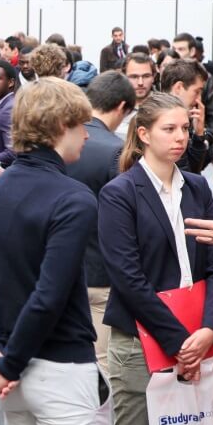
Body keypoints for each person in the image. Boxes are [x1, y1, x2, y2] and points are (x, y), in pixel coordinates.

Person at [0, 77, 109, 425]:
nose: (87, 135)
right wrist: (6, 363)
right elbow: (50, 294)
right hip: (61, 371)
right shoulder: (74, 199)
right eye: (81, 125)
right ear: (62, 126)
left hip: (11, 364)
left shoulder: (0, 190)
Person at [98, 93, 213, 425]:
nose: (180, 137)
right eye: (169, 129)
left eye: (185, 128)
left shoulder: (198, 187)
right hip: (141, 339)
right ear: (143, 134)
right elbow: (128, 278)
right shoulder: (119, 193)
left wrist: (210, 329)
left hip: (196, 331)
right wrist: (181, 342)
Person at [65, 71, 136, 374]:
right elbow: (124, 219)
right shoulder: (115, 150)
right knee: (100, 362)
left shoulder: (61, 143)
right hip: (100, 272)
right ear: (121, 107)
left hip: (60, 266)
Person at [160, 59, 213, 174]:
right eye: (196, 92)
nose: (199, 99)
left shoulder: (186, 117)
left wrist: (199, 134)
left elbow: (196, 167)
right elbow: (185, 175)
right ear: (178, 88)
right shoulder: (160, 121)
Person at [173, 32, 213, 138]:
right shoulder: (170, 74)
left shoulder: (207, 79)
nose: (176, 53)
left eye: (181, 49)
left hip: (198, 136)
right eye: (174, 49)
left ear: (192, 51)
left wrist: (206, 138)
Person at [114, 53, 156, 140]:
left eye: (146, 76)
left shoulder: (164, 106)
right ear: (124, 76)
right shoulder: (114, 106)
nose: (140, 82)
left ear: (153, 77)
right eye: (134, 77)